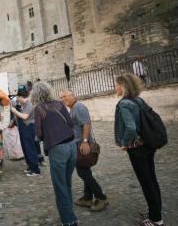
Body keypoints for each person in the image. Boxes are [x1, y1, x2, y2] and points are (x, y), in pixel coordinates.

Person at [114, 73, 165, 226]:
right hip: (148, 145)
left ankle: (156, 220)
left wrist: (124, 143)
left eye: (116, 84)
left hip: (137, 149)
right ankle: (154, 211)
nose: (115, 87)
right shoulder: (138, 100)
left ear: (123, 86)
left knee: (146, 183)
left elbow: (130, 128)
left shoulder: (124, 104)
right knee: (152, 180)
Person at [33, 82, 78, 226]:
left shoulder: (39, 109)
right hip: (71, 145)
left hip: (57, 149)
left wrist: (46, 134)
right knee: (67, 182)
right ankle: (69, 212)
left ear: (36, 94)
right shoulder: (59, 104)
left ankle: (69, 220)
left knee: (60, 186)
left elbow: (39, 133)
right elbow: (70, 123)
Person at [60, 89, 108, 212]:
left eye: (65, 96)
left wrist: (85, 141)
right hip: (78, 145)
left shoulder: (79, 107)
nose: (63, 99)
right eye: (61, 97)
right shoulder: (73, 108)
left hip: (82, 145)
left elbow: (86, 124)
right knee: (85, 170)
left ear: (73, 96)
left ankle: (101, 197)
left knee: (82, 172)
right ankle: (87, 197)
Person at [11, 85, 41, 177]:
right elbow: (18, 116)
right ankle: (30, 166)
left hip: (29, 128)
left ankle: (35, 170)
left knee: (30, 148)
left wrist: (14, 110)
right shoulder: (21, 104)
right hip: (23, 128)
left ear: (21, 97)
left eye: (18, 97)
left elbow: (24, 116)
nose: (17, 99)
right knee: (25, 148)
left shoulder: (29, 104)